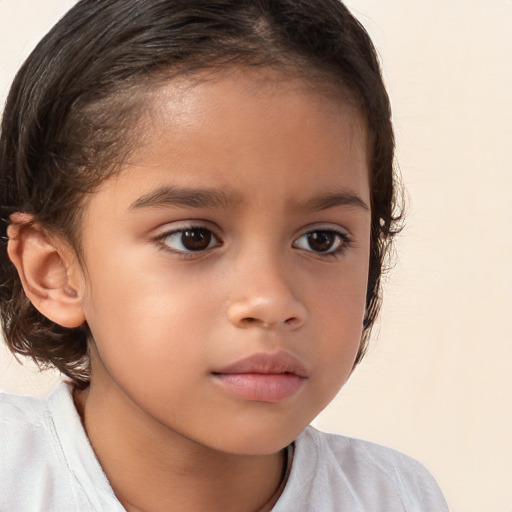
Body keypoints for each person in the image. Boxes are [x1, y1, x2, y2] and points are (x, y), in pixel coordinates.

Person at [0, 1, 450, 510]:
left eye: (321, 239)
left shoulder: (393, 497)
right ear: (55, 271)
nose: (270, 300)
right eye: (193, 237)